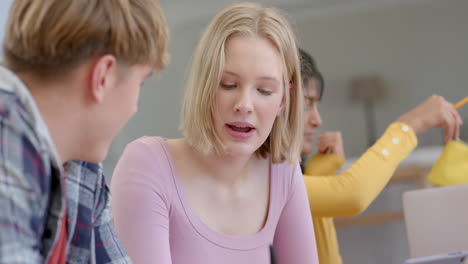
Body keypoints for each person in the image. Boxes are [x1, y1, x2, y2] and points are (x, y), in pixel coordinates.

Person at [111, 3, 319, 264]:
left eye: (264, 90)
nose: (244, 104)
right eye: (228, 84)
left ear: (284, 100)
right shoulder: (147, 165)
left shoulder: (282, 170)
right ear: (205, 86)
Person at [0, 0, 169, 262]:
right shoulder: (7, 140)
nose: (135, 107)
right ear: (103, 76)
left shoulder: (81, 166)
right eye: (140, 83)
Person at [298, 48, 463, 264]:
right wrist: (409, 126)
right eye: (306, 104)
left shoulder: (286, 177)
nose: (317, 120)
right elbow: (352, 194)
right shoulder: (263, 178)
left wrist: (317, 178)